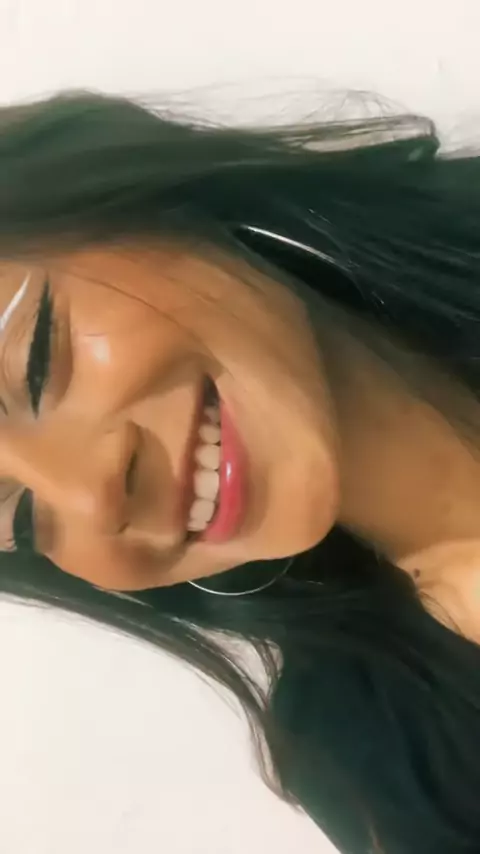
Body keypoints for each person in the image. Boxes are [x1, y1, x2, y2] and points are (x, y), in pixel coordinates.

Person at [0, 90, 479, 854]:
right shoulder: (385, 761)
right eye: (22, 520)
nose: (92, 497)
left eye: (36, 363)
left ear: (144, 197)